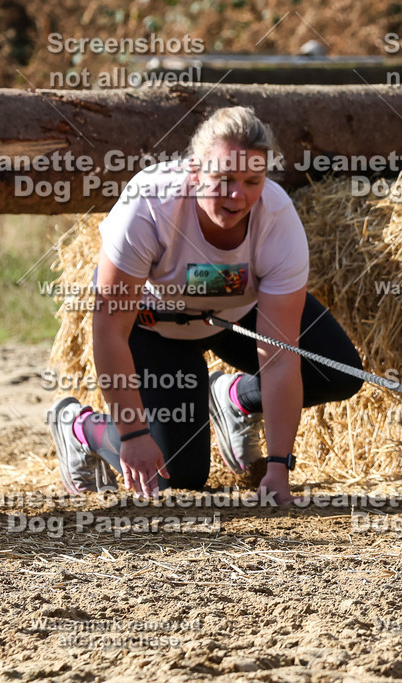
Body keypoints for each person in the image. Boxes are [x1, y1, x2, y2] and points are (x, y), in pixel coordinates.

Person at [47, 106, 363, 505]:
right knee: (176, 478)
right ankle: (84, 428)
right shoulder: (149, 207)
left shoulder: (278, 218)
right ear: (194, 172)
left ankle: (236, 399)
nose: (238, 195)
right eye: (224, 179)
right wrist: (133, 434)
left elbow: (280, 357)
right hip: (155, 328)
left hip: (238, 312)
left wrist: (279, 464)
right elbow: (109, 331)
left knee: (339, 372)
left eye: (252, 181)